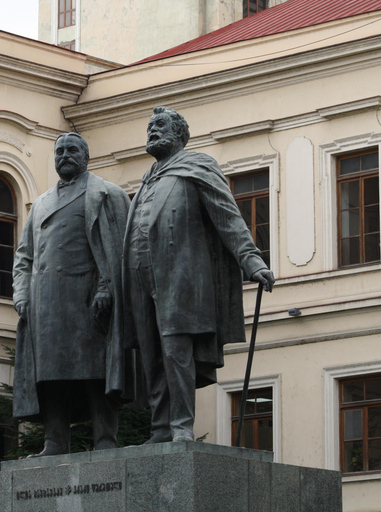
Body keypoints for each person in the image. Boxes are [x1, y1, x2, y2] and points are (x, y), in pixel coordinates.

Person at [123, 106, 275, 444]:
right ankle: (159, 427)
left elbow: (227, 216)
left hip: (180, 275)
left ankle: (180, 426)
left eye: (159, 125)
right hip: (140, 277)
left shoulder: (198, 166)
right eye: (149, 127)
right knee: (151, 354)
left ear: (179, 133)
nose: (151, 132)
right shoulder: (148, 178)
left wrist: (252, 260)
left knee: (176, 351)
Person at [12, 132, 131, 456]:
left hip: (87, 298)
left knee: (94, 373)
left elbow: (118, 251)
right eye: (60, 150)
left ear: (86, 156)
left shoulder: (105, 193)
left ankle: (105, 439)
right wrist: (21, 295)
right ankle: (54, 442)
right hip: (46, 303)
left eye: (72, 150)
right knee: (50, 377)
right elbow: (24, 257)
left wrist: (106, 288)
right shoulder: (40, 204)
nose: (65, 155)